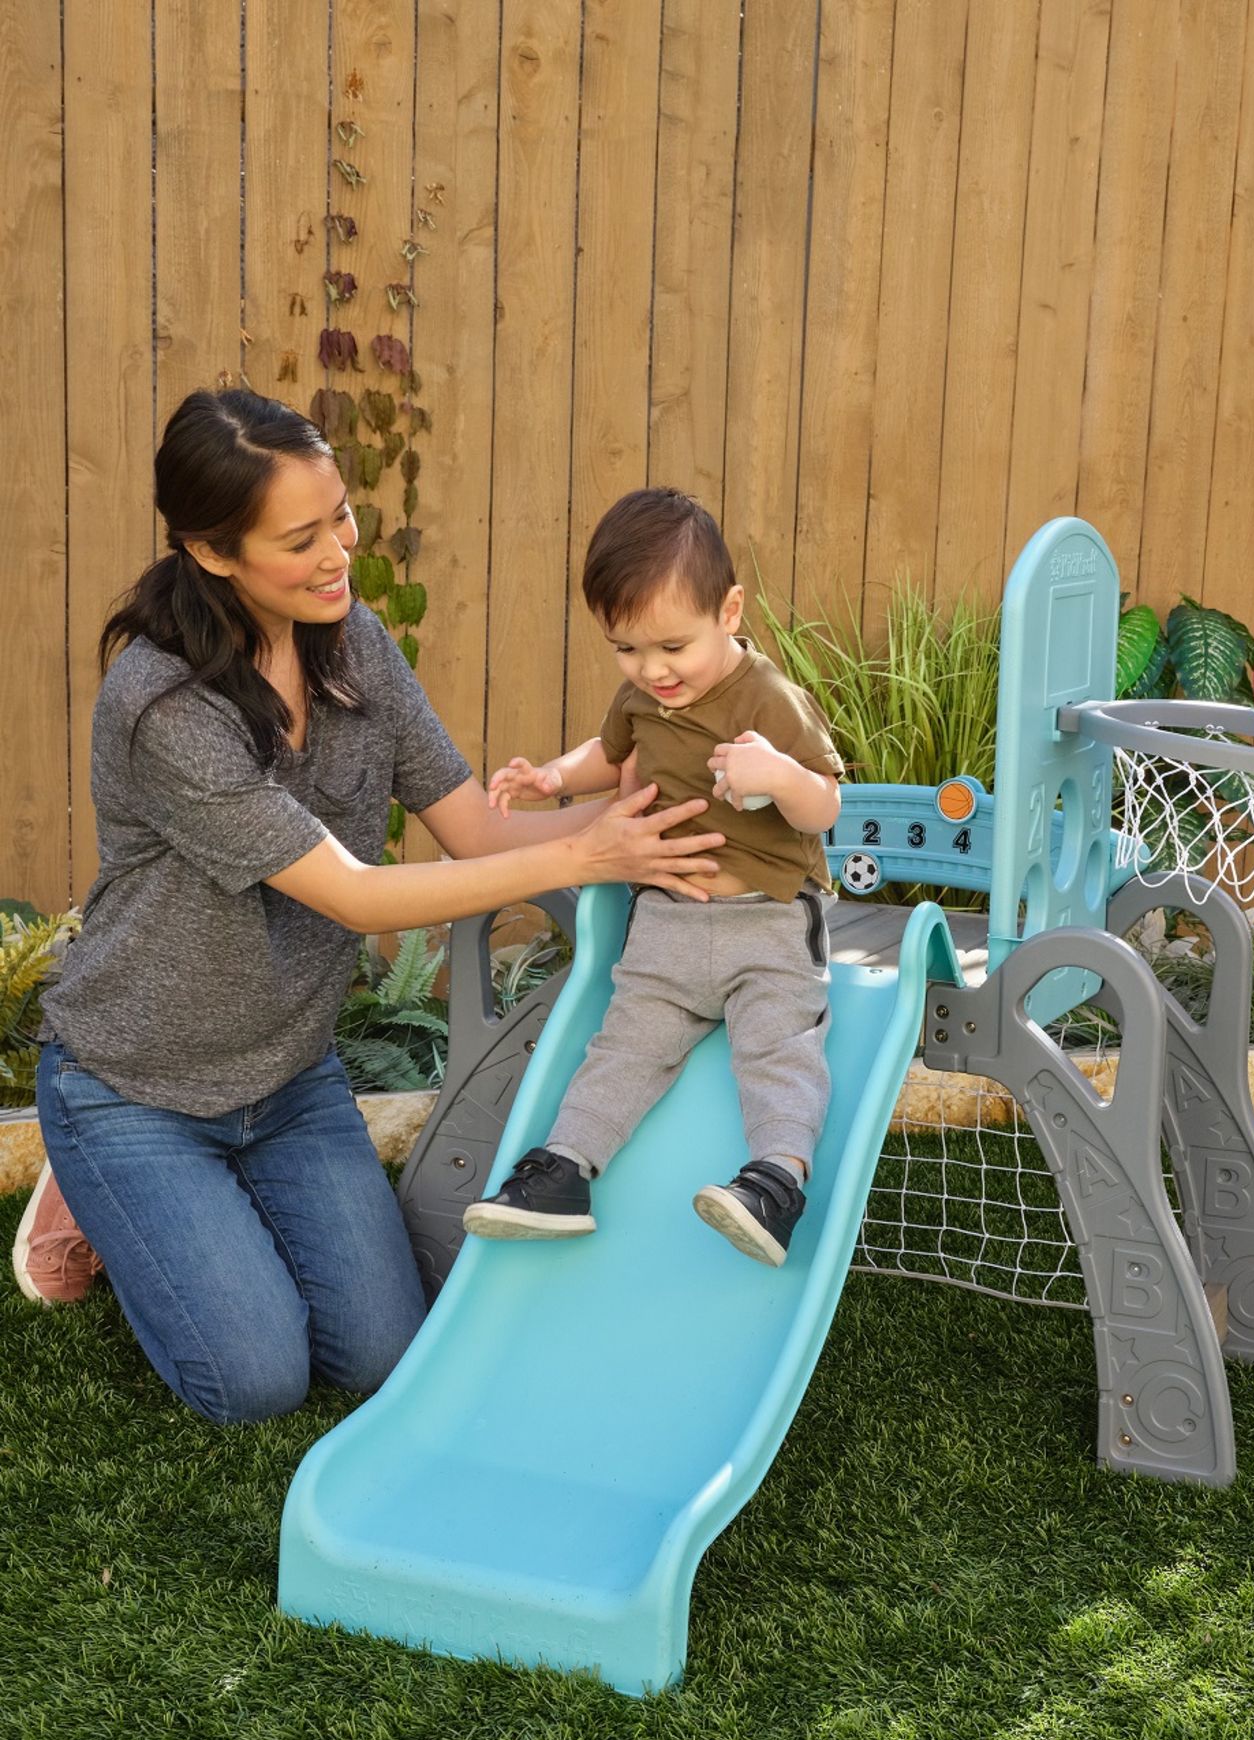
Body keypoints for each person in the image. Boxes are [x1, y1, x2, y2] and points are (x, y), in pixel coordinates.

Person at [25, 389, 727, 1422]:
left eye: (340, 517)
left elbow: (478, 831)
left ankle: (199, 1213)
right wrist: (582, 850)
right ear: (213, 552)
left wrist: (640, 819)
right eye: (300, 538)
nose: (337, 552)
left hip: (290, 1075)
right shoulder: (160, 703)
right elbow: (354, 897)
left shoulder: (353, 642)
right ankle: (96, 1184)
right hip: (137, 1084)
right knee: (255, 1383)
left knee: (382, 1354)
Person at [461, 488, 843, 1267]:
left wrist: (776, 771)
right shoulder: (641, 695)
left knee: (779, 1049)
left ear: (729, 612)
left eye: (672, 646)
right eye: (628, 649)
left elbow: (824, 806)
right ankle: (563, 1171)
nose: (652, 669)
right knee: (623, 1049)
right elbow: (607, 755)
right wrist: (551, 779)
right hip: (668, 922)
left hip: (766, 920)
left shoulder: (768, 698)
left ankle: (776, 1182)